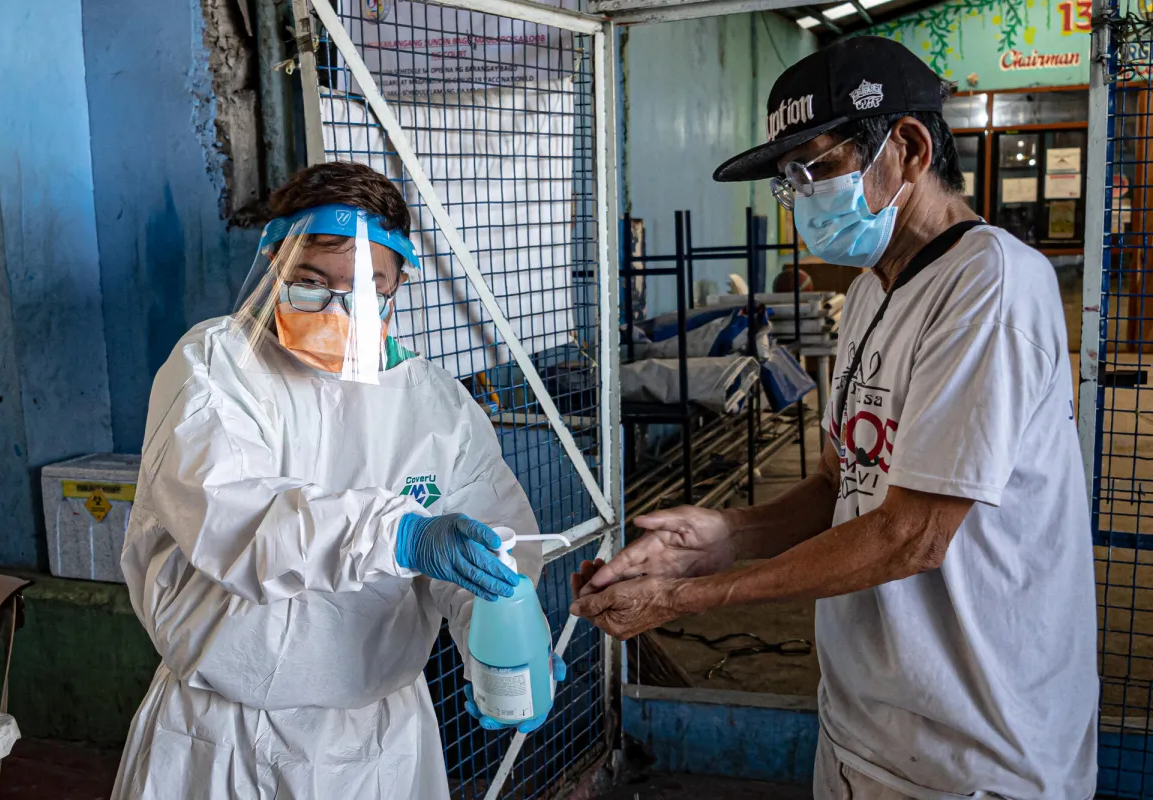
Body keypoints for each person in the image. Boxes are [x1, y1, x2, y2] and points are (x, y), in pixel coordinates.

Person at [571, 36, 1097, 800]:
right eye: (788, 180)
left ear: (908, 148)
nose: (799, 197)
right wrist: (722, 538)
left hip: (975, 751)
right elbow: (838, 484)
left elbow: (913, 534)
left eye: (813, 169)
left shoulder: (992, 286)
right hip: (865, 727)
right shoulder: (872, 290)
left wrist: (685, 601)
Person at [112, 161, 563, 800]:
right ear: (274, 267)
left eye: (364, 289)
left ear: (397, 284)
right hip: (221, 736)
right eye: (310, 285)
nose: (334, 310)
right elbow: (235, 521)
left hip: (376, 740)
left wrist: (498, 641)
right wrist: (400, 536)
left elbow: (489, 548)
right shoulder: (217, 367)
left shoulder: (435, 407)